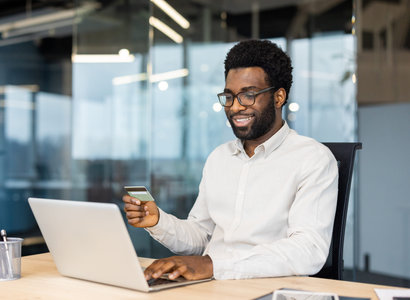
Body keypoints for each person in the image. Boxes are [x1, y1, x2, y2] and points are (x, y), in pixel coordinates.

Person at [123, 39, 338, 281]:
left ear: (279, 97)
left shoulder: (313, 159)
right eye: (229, 97)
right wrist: (158, 221)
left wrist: (213, 266)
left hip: (269, 290)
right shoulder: (219, 158)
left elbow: (308, 251)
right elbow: (201, 237)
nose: (235, 107)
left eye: (248, 95)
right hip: (212, 287)